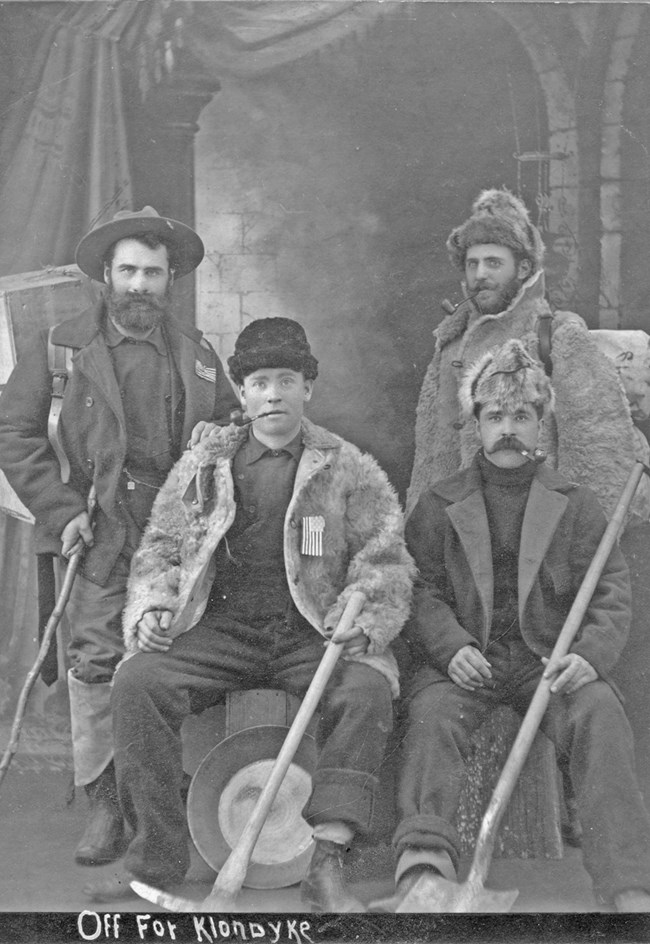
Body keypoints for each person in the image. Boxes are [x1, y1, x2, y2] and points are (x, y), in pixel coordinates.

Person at [83, 317, 415, 910]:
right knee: (137, 680)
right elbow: (162, 545)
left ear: (308, 388)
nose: (273, 394)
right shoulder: (205, 466)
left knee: (366, 690)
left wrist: (362, 617)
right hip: (220, 632)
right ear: (241, 393)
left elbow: (385, 556)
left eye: (287, 379)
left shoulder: (346, 467)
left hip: (309, 633)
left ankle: (327, 863)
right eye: (259, 382)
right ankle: (154, 860)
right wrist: (156, 606)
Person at [374, 338, 650, 913]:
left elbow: (610, 591)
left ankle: (626, 883)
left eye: (521, 416)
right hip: (465, 662)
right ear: (475, 423)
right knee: (430, 717)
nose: (508, 429)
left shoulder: (576, 505)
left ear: (541, 424)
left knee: (601, 713)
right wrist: (449, 647)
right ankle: (423, 868)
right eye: (495, 415)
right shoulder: (439, 501)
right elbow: (418, 586)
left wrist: (589, 656)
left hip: (546, 665)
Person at [0, 207, 239, 866]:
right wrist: (61, 510)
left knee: (162, 662)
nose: (140, 285)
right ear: (107, 274)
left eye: (153, 273)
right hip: (99, 532)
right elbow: (13, 433)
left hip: (175, 546)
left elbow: (230, 428)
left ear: (169, 282)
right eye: (129, 270)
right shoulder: (61, 349)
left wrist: (218, 442)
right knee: (96, 662)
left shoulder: (197, 355)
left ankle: (156, 793)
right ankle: (104, 801)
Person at [407, 188, 643, 522]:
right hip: (457, 541)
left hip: (539, 539)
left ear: (523, 268)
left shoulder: (556, 337)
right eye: (472, 263)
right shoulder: (449, 346)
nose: (480, 275)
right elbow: (428, 464)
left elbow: (601, 457)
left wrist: (580, 548)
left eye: (493, 262)